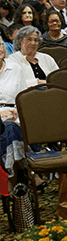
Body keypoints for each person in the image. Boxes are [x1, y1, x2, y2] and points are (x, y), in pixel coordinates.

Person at [0, 44, 28, 176]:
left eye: (0, 44)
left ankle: (10, 177)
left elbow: (24, 95)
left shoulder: (15, 68)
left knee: (10, 126)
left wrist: (18, 109)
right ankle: (21, 171)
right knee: (7, 128)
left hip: (15, 114)